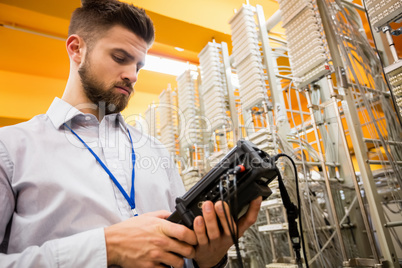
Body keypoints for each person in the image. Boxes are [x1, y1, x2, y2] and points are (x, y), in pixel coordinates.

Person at [0, 0, 262, 267]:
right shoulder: (10, 148)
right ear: (76, 49)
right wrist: (106, 247)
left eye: (138, 66)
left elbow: (184, 254)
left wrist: (207, 260)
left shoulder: (156, 151)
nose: (132, 76)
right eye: (120, 58)